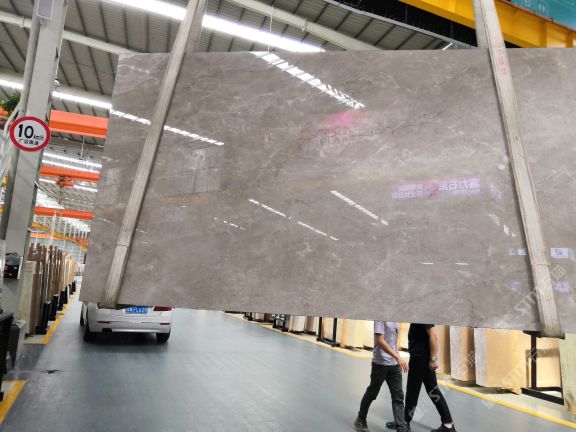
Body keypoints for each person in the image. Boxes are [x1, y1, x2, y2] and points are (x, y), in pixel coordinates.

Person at [387, 323, 457, 432]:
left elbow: (433, 335)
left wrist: (433, 360)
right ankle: (448, 424)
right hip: (422, 358)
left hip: (420, 359)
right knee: (433, 390)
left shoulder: (423, 316)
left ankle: (405, 422)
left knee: (412, 392)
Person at [354, 321, 409, 432]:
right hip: (380, 364)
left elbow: (393, 340)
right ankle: (360, 419)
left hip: (394, 364)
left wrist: (397, 356)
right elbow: (380, 340)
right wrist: (398, 357)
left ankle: (401, 427)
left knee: (398, 396)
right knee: (372, 393)